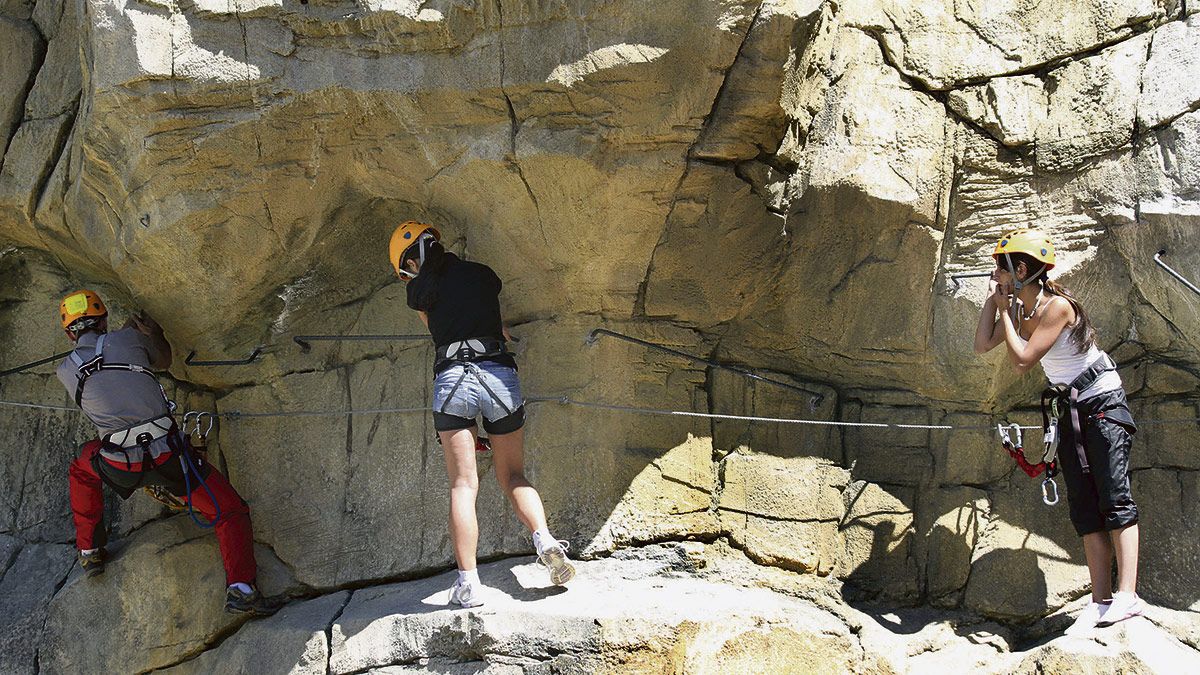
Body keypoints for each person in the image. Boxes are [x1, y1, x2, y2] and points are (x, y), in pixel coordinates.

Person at [55, 290, 281, 616]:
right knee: (230, 511)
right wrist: (153, 333)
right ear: (103, 318)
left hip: (119, 463)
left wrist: (126, 335)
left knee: (81, 465)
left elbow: (104, 368)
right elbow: (162, 360)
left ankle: (89, 550)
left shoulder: (66, 370)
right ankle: (241, 588)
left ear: (68, 333)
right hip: (170, 459)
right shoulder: (130, 338)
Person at [389, 221, 575, 607]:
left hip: (453, 379)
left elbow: (440, 333)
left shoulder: (419, 292)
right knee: (514, 475)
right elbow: (487, 318)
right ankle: (545, 539)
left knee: (463, 486)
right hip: (498, 376)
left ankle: (469, 584)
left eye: (407, 268)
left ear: (413, 260)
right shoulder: (482, 275)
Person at [973, 230, 1143, 635]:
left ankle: (1128, 596)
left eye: (1001, 267)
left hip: (1102, 405)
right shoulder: (1020, 309)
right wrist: (993, 303)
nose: (996, 273)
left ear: (1023, 270)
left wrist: (1008, 314)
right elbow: (982, 345)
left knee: (1114, 496)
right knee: (1084, 506)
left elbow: (1021, 362)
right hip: (1070, 409)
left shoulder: (1056, 308)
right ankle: (1099, 601)